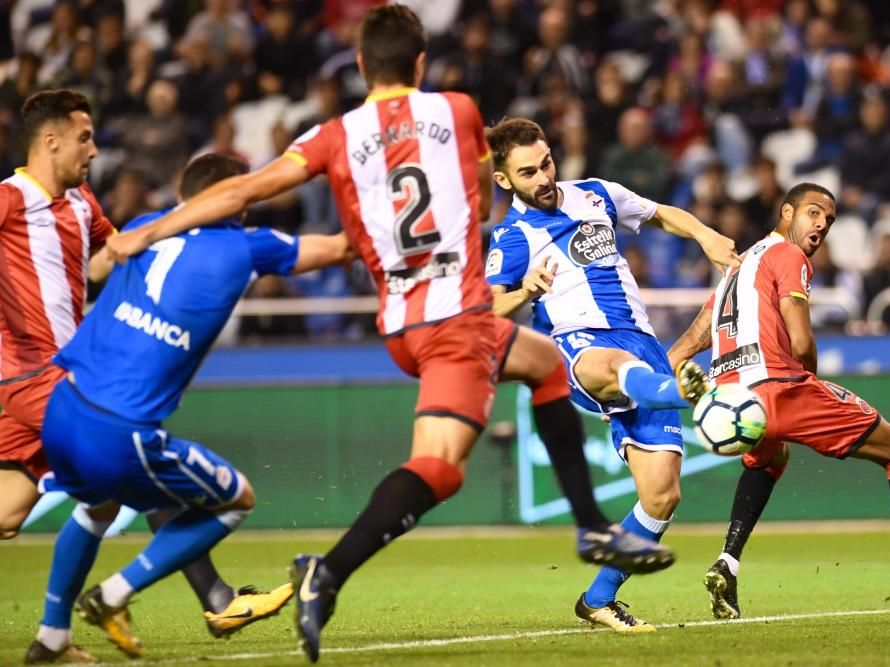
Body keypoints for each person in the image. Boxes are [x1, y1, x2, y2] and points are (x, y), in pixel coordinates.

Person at [103, 6, 675, 662]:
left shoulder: (333, 135)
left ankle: (592, 529)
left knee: (544, 361)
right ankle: (337, 570)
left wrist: (148, 230)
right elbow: (486, 167)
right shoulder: (458, 111)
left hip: (401, 318)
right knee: (438, 466)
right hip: (454, 316)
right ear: (422, 62)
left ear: (359, 65)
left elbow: (246, 191)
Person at [28, 153, 358, 662]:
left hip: (63, 406)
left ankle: (52, 636)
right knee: (237, 499)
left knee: (96, 509)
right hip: (121, 428)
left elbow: (96, 266)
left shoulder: (143, 226)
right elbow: (340, 248)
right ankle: (115, 593)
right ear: (234, 199)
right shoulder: (247, 245)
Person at [0, 93, 289, 666]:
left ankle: (58, 636)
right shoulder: (9, 199)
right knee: (127, 456)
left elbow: (122, 252)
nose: (94, 148)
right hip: (41, 376)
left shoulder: (82, 202)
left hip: (61, 373)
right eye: (84, 137)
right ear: (50, 140)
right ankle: (216, 598)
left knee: (11, 512)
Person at [667, 182, 890, 620]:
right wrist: (808, 375)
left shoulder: (740, 264)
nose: (821, 225)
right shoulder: (789, 256)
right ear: (786, 212)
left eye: (828, 220)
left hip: (733, 396)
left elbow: (704, 324)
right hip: (781, 385)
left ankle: (727, 563)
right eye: (813, 213)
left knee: (770, 457)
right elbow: (801, 340)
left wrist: (673, 358)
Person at [483, 117, 741, 632]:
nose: (544, 177)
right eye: (528, 172)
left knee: (662, 496)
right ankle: (690, 392)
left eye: (548, 162)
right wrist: (524, 291)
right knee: (618, 367)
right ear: (504, 179)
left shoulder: (596, 194)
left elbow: (662, 213)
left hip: (640, 341)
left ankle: (597, 600)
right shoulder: (511, 238)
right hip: (577, 345)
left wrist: (705, 234)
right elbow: (488, 311)